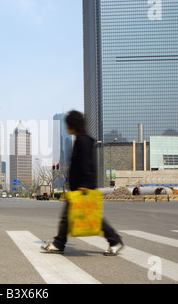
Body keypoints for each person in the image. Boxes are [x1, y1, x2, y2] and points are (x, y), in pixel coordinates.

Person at [41, 110, 124, 256]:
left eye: (68, 125)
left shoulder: (82, 140)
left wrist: (84, 184)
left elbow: (86, 164)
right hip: (80, 187)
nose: (67, 128)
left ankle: (115, 240)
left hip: (82, 187)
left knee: (87, 217)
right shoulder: (81, 139)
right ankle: (59, 243)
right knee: (75, 217)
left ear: (73, 125)